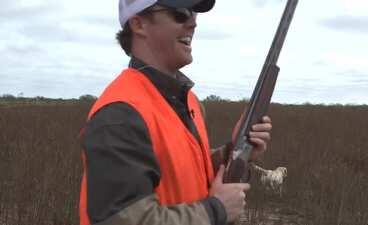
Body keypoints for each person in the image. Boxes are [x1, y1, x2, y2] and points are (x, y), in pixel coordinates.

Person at [79, 0, 272, 225]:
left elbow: (181, 174)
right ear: (138, 24)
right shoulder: (120, 115)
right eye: (179, 13)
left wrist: (235, 151)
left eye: (194, 14)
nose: (192, 23)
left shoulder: (189, 101)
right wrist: (217, 210)